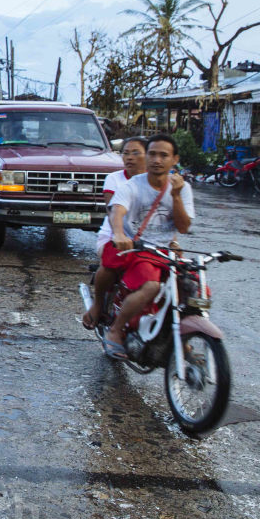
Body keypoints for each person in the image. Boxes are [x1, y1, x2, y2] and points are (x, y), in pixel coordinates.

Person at [98, 134, 194, 360]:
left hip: (164, 252)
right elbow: (117, 211)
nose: (157, 160)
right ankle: (115, 330)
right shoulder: (132, 186)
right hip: (136, 249)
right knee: (151, 286)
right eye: (152, 154)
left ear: (174, 159)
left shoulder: (183, 188)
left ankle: (180, 338)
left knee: (189, 288)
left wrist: (177, 196)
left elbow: (183, 227)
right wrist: (120, 233)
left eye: (164, 155)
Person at [82, 137, 147, 330]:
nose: (129, 158)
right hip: (113, 235)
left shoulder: (157, 181)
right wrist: (119, 235)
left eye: (136, 153)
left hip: (146, 239)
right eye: (126, 153)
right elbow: (112, 211)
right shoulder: (115, 178)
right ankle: (98, 305)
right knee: (111, 260)